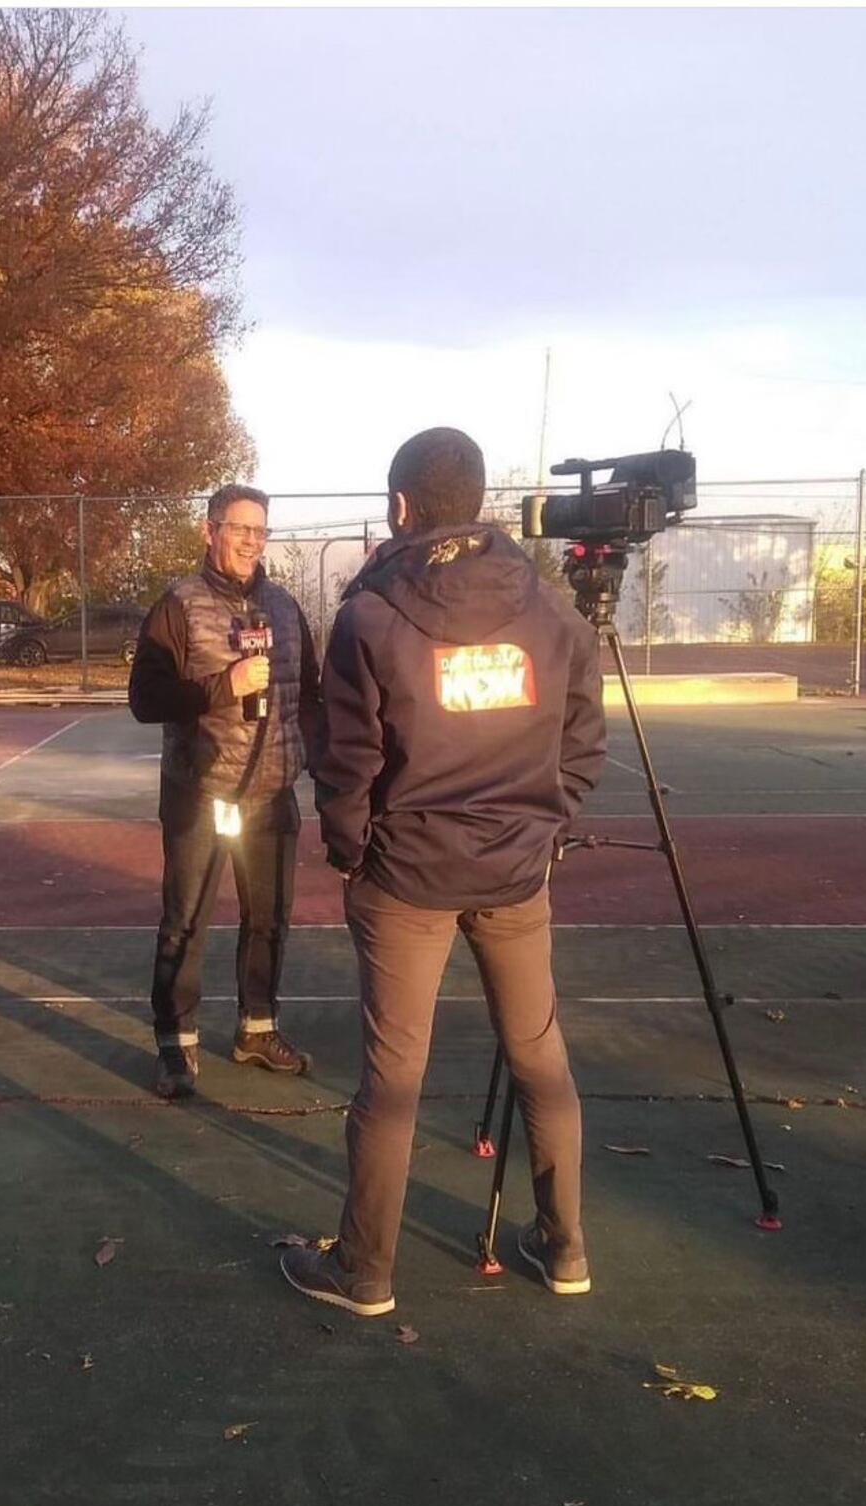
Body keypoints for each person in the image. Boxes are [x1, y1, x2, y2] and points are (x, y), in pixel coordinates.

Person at [281, 427, 606, 1316]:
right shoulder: (548, 607)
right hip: (513, 874)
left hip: (407, 878)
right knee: (540, 1054)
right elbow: (584, 741)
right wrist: (545, 823)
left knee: (393, 1078)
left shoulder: (370, 614)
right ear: (479, 503)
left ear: (400, 508)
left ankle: (366, 1270)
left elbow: (346, 762)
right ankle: (565, 1246)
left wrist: (353, 850)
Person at [128, 483, 323, 1100]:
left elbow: (310, 695)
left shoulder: (286, 607)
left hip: (271, 793)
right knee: (185, 922)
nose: (250, 541)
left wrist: (314, 760)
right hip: (203, 790)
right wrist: (222, 686)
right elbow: (145, 700)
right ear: (209, 531)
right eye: (240, 528)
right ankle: (175, 1044)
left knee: (269, 919)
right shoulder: (177, 607)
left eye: (260, 531)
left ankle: (256, 1029)